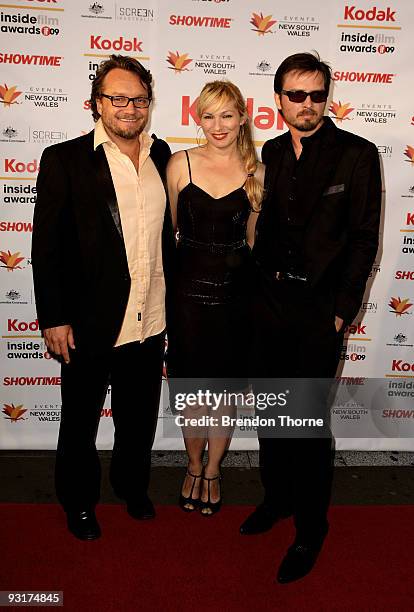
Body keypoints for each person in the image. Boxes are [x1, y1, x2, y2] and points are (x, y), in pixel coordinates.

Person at [239, 52, 381, 582]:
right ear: (278, 99)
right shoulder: (268, 153)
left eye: (316, 94)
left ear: (327, 97)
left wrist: (344, 310)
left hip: (319, 312)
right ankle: (277, 501)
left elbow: (364, 236)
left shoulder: (357, 154)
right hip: (267, 306)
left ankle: (310, 527)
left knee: (307, 423)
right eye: (295, 95)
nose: (306, 104)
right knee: (273, 416)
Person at [31, 54, 174, 540]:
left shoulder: (162, 156)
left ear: (148, 103)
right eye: (117, 98)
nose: (128, 107)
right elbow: (45, 247)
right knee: (79, 423)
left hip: (149, 319)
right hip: (89, 321)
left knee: (138, 419)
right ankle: (79, 502)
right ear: (97, 103)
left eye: (138, 98)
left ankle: (132, 488)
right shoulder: (64, 159)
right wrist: (53, 316)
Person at [166, 80, 264, 515]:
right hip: (186, 295)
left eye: (227, 115)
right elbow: (170, 234)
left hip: (235, 299)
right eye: (209, 115)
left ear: (243, 117)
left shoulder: (256, 172)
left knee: (223, 393)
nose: (218, 125)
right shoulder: (178, 165)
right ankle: (191, 463)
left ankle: (213, 469)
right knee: (191, 391)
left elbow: (253, 242)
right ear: (197, 118)